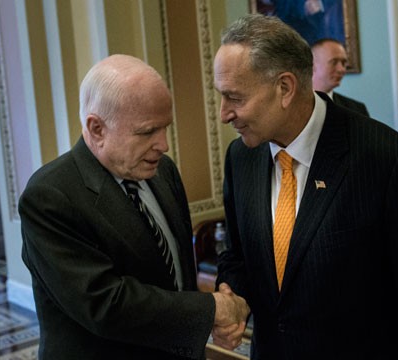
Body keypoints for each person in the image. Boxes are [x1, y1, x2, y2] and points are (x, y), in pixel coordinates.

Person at [213, 14, 398, 358]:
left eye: (234, 97)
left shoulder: (386, 159)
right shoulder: (241, 158)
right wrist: (233, 297)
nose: (224, 114)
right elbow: (238, 255)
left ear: (284, 88)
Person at [19, 54, 249, 359]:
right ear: (97, 128)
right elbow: (106, 303)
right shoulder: (50, 196)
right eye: (146, 132)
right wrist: (210, 310)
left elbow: (176, 276)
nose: (164, 145)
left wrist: (204, 318)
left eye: (165, 127)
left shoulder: (162, 170)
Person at [311, 38, 369, 116]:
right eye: (334, 62)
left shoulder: (356, 109)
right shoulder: (292, 106)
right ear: (312, 65)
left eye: (343, 63)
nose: (341, 69)